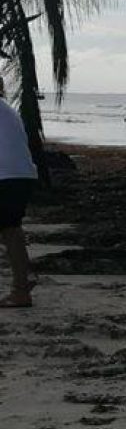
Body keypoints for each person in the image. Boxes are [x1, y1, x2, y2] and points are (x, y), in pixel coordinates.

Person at [0, 89, 38, 307]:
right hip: (20, 176)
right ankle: (23, 280)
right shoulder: (6, 109)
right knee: (10, 230)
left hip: (8, 177)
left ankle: (21, 289)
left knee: (10, 230)